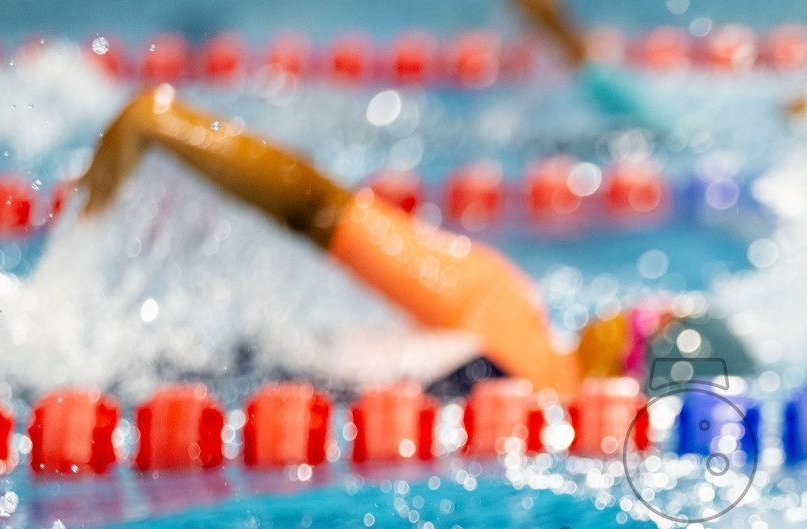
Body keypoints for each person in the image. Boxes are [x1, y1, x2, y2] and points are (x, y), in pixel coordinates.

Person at [79, 86, 580, 398]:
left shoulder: (509, 324)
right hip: (192, 383)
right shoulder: (501, 314)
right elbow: (319, 209)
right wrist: (167, 124)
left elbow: (322, 209)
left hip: (204, 383)